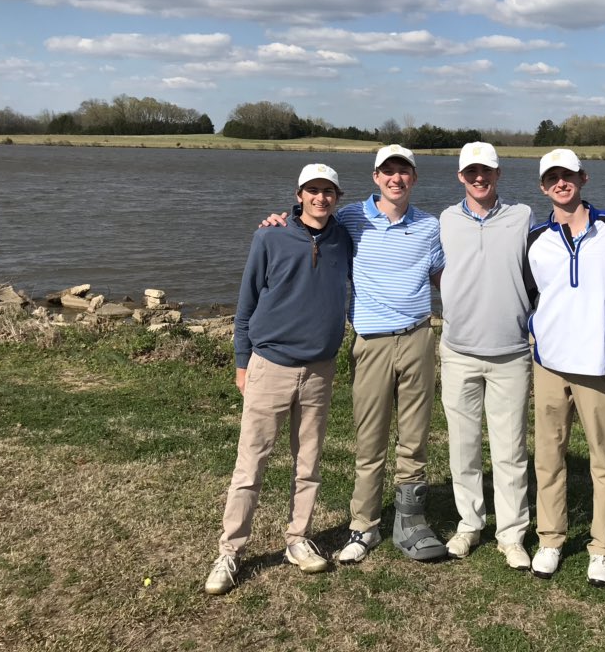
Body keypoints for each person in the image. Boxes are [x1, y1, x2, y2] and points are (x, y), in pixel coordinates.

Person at [259, 145, 446, 564]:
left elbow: (443, 276)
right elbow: (311, 224)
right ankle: (364, 526)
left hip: (418, 337)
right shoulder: (350, 218)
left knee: (414, 436)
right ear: (376, 177)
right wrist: (280, 221)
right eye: (388, 172)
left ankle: (410, 520)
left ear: (413, 179)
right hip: (372, 342)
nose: (396, 179)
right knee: (371, 437)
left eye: (404, 172)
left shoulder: (430, 226)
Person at [205, 163, 352, 595]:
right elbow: (246, 303)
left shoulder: (344, 237)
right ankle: (230, 551)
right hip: (270, 364)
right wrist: (241, 362)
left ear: (337, 197)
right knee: (250, 464)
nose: (320, 198)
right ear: (299, 194)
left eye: (328, 191)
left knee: (308, 463)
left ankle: (297, 538)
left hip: (320, 369)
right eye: (313, 190)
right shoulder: (269, 235)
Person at [523, 148, 605, 587]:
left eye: (568, 176)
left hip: (598, 366)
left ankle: (603, 548)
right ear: (543, 186)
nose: (560, 184)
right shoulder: (534, 239)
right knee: (549, 458)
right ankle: (551, 538)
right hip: (549, 364)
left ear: (583, 178)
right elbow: (532, 295)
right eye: (552, 179)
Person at [438, 141, 533, 571]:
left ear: (498, 175)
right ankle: (469, 523)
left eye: (487, 171)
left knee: (510, 448)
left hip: (511, 353)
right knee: (464, 445)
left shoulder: (523, 217)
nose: (480, 178)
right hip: (458, 351)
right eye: (472, 172)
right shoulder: (444, 220)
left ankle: (512, 533)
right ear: (461, 176)